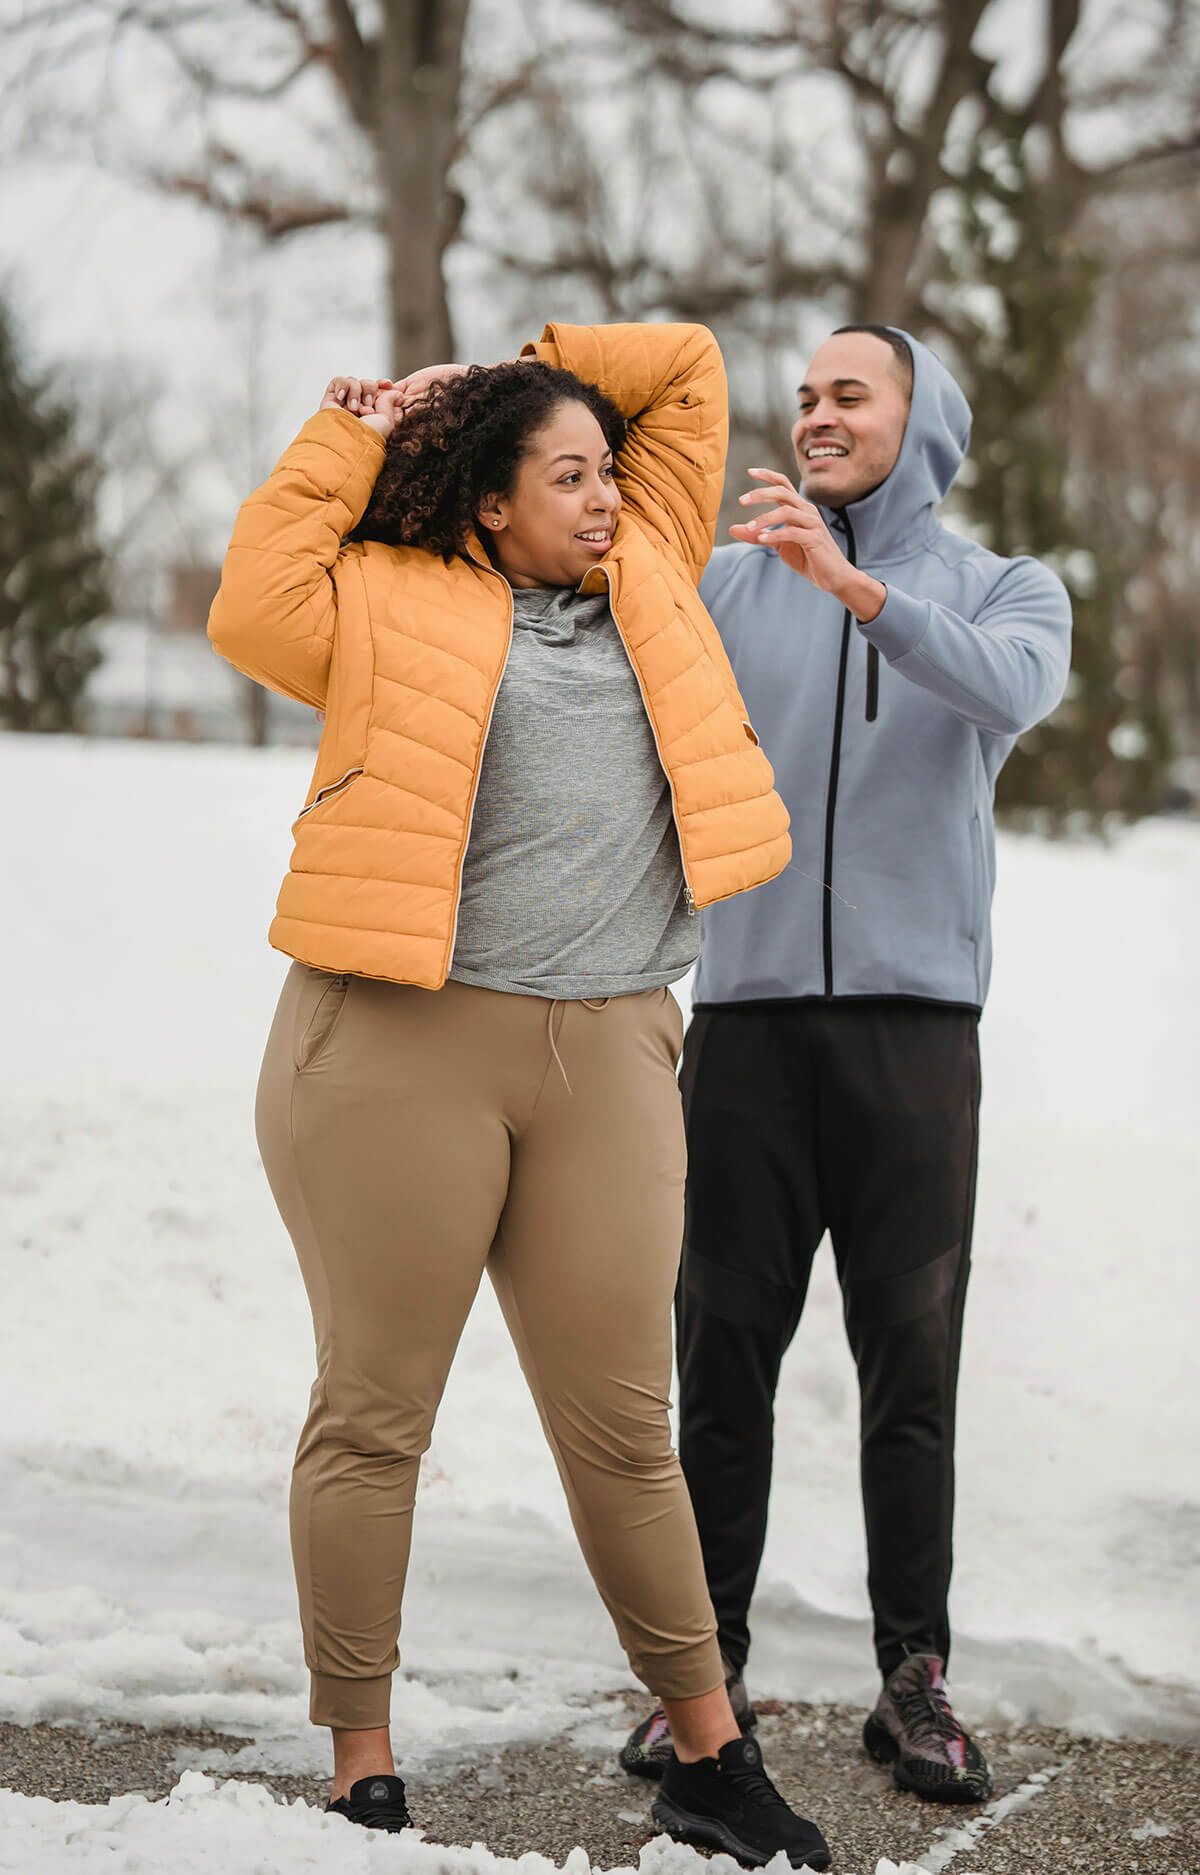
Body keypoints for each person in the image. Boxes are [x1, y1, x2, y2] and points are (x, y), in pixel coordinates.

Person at [207, 321, 833, 1870]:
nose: (608, 497)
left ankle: (709, 1755)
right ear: (489, 503)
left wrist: (524, 371)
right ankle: (362, 1763)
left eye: (607, 471)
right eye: (568, 478)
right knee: (376, 1417)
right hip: (397, 1054)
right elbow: (250, 597)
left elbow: (682, 364)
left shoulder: (653, 569)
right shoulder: (380, 597)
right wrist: (371, 426)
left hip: (608, 1051)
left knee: (628, 1430)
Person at [620, 325, 1072, 1805]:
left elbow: (1010, 691)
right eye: (803, 397)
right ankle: (706, 1679)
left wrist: (861, 593)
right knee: (721, 1362)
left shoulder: (1002, 588)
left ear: (917, 417)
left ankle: (913, 1680)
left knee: (910, 1374)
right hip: (744, 1028)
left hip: (914, 1036)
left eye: (847, 395)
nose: (814, 416)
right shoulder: (727, 581)